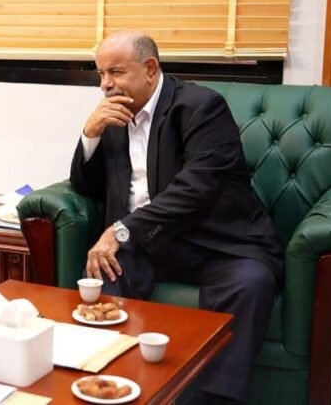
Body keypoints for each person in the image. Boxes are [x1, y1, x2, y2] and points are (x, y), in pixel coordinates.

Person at [71, 31, 283, 404]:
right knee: (105, 269)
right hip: (149, 242)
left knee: (251, 282)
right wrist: (90, 134)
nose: (105, 84)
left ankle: (211, 400)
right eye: (100, 73)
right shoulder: (114, 115)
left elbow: (196, 189)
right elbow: (87, 187)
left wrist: (121, 230)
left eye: (116, 72)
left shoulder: (202, 107)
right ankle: (113, 386)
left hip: (219, 242)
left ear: (150, 69)